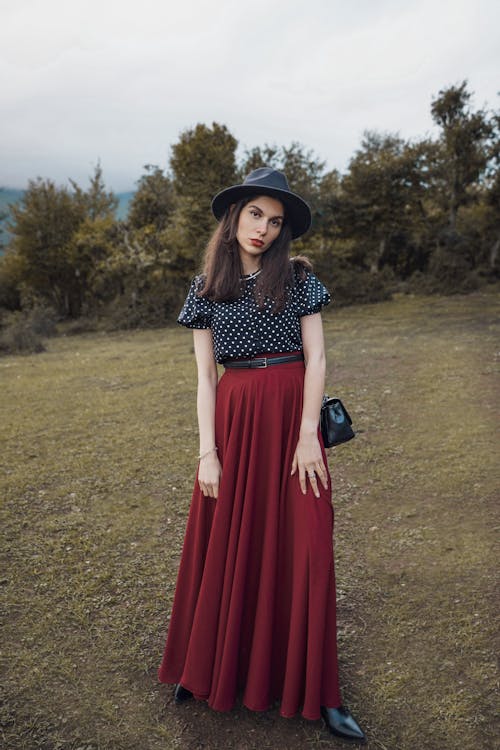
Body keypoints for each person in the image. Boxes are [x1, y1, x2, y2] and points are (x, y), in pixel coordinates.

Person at [158, 167, 366, 743]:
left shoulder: (299, 279)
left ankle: (322, 694)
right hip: (236, 417)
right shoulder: (205, 288)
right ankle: (205, 669)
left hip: (293, 418)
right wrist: (207, 453)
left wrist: (307, 433)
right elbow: (204, 377)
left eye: (275, 221)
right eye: (256, 215)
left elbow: (317, 358)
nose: (264, 229)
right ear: (234, 216)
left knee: (308, 547)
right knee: (229, 540)